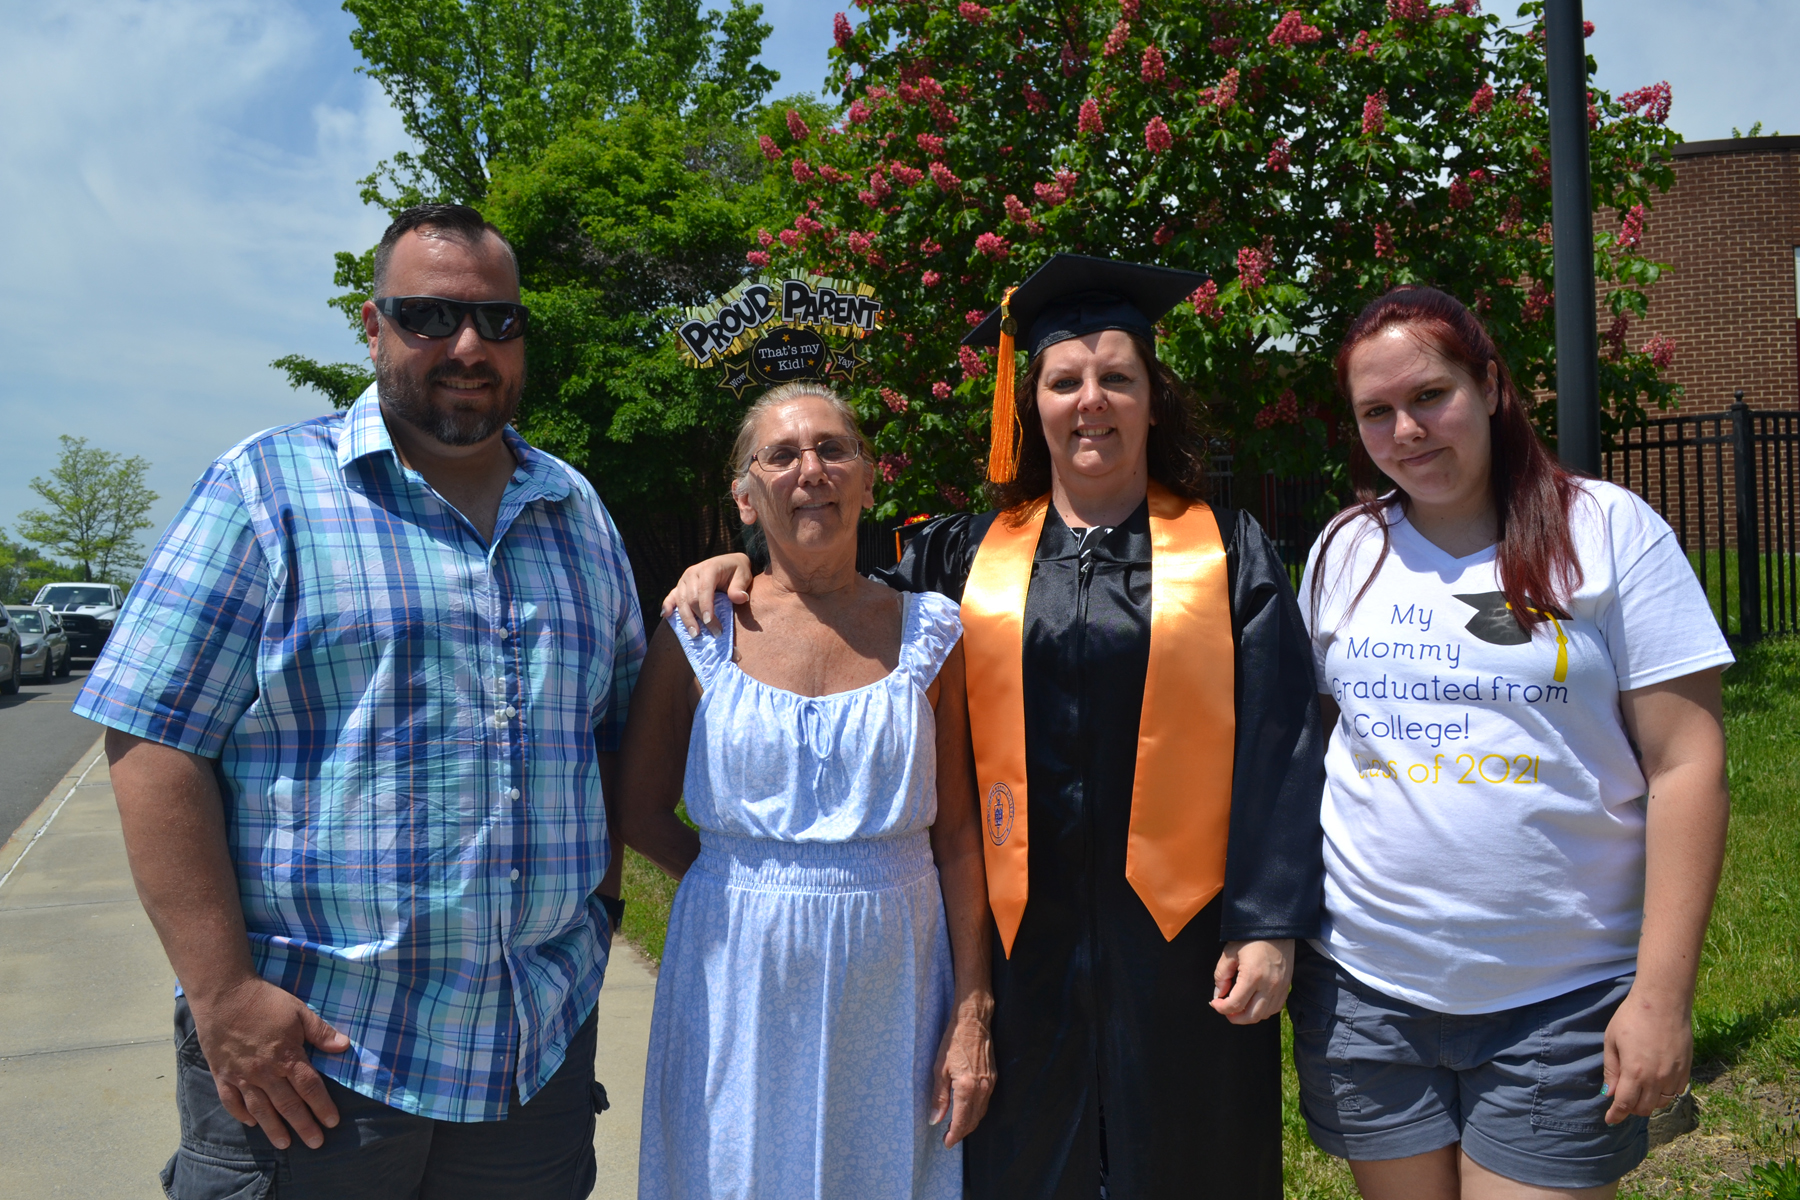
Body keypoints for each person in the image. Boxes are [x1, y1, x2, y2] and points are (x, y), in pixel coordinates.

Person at [668, 255, 1327, 1199]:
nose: (1090, 402)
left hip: (1186, 941)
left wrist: (1267, 923)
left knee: (1193, 1163)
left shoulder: (1228, 552)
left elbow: (1278, 740)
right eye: (1065, 381)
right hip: (1021, 940)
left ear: (1151, 400)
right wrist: (733, 564)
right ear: (1034, 405)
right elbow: (835, 607)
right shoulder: (962, 555)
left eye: (1117, 380)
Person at [73, 204, 645, 1198]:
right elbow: (153, 740)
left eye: (499, 322)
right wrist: (220, 993)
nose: (470, 346)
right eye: (430, 317)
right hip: (315, 1065)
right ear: (373, 327)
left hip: (531, 1062)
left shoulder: (576, 511)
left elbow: (608, 731)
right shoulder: (265, 491)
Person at [1293, 286, 1733, 1200]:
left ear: (1490, 386)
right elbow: (1315, 743)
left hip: (1560, 999)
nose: (1407, 430)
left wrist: (1661, 996)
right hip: (1368, 991)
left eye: (1430, 396)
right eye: (1376, 412)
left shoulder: (1608, 532)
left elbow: (1688, 766)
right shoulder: (1344, 549)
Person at [618, 380, 993, 1199]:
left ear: (869, 477)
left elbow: (960, 838)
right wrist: (739, 883)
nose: (810, 470)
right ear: (746, 496)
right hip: (734, 979)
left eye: (833, 449)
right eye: (781, 456)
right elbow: (637, 806)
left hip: (894, 980)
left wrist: (972, 1013)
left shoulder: (934, 632)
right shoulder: (696, 630)